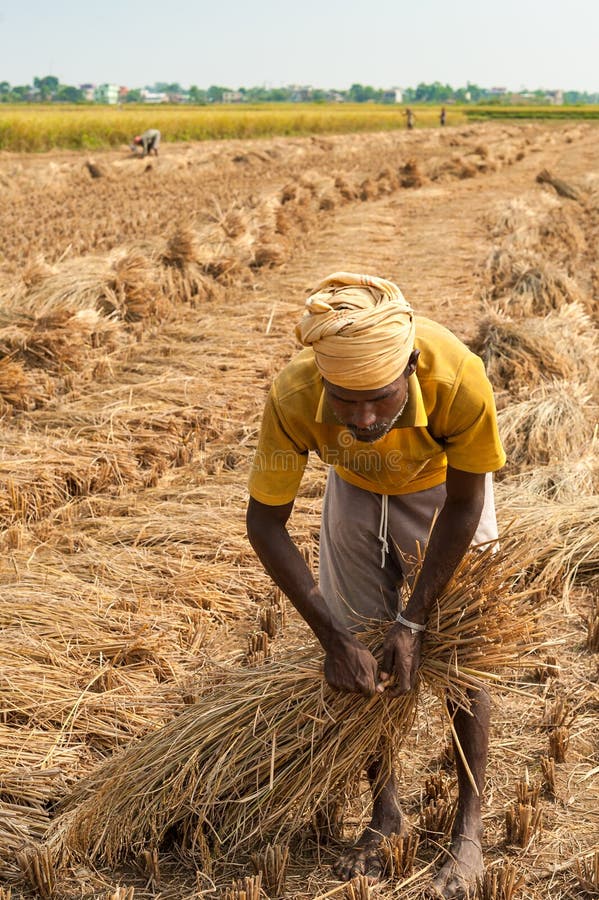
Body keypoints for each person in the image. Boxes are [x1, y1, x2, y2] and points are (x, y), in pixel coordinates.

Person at [246, 272, 506, 898]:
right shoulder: (294, 395)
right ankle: (385, 811)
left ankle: (467, 828)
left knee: (464, 656)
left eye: (381, 400)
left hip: (442, 492)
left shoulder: (459, 378)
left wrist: (413, 620)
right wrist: (333, 636)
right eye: (346, 401)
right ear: (323, 381)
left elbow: (466, 502)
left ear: (410, 369)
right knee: (360, 649)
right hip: (356, 490)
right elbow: (264, 523)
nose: (364, 419)